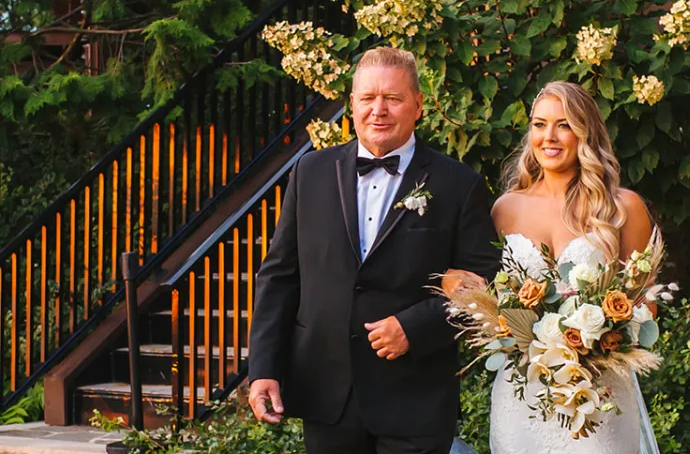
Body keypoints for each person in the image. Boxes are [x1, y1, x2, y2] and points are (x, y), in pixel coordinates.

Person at [247, 47, 501, 454]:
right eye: (368, 98)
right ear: (352, 104)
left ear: (418, 105)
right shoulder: (309, 173)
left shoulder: (458, 183)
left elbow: (483, 282)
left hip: (415, 398)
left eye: (393, 99)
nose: (378, 110)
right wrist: (263, 367)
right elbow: (280, 275)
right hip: (326, 393)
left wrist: (416, 328)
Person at [489, 81, 658, 454]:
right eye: (539, 124)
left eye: (564, 125)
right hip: (523, 392)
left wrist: (597, 335)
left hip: (599, 393)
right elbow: (496, 299)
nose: (549, 136)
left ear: (586, 132)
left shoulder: (622, 208)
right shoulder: (504, 209)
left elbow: (648, 304)